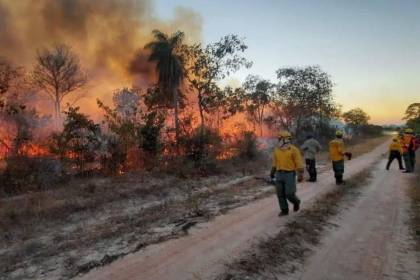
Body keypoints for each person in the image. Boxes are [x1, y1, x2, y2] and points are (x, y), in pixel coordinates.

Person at [270, 131, 304, 216]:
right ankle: (284, 210)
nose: (278, 140)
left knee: (289, 193)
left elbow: (298, 162)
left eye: (280, 138)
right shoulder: (276, 150)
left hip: (289, 174)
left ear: (285, 139)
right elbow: (275, 162)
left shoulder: (294, 149)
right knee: (280, 194)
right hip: (279, 173)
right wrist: (272, 172)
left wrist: (300, 174)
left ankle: (296, 202)